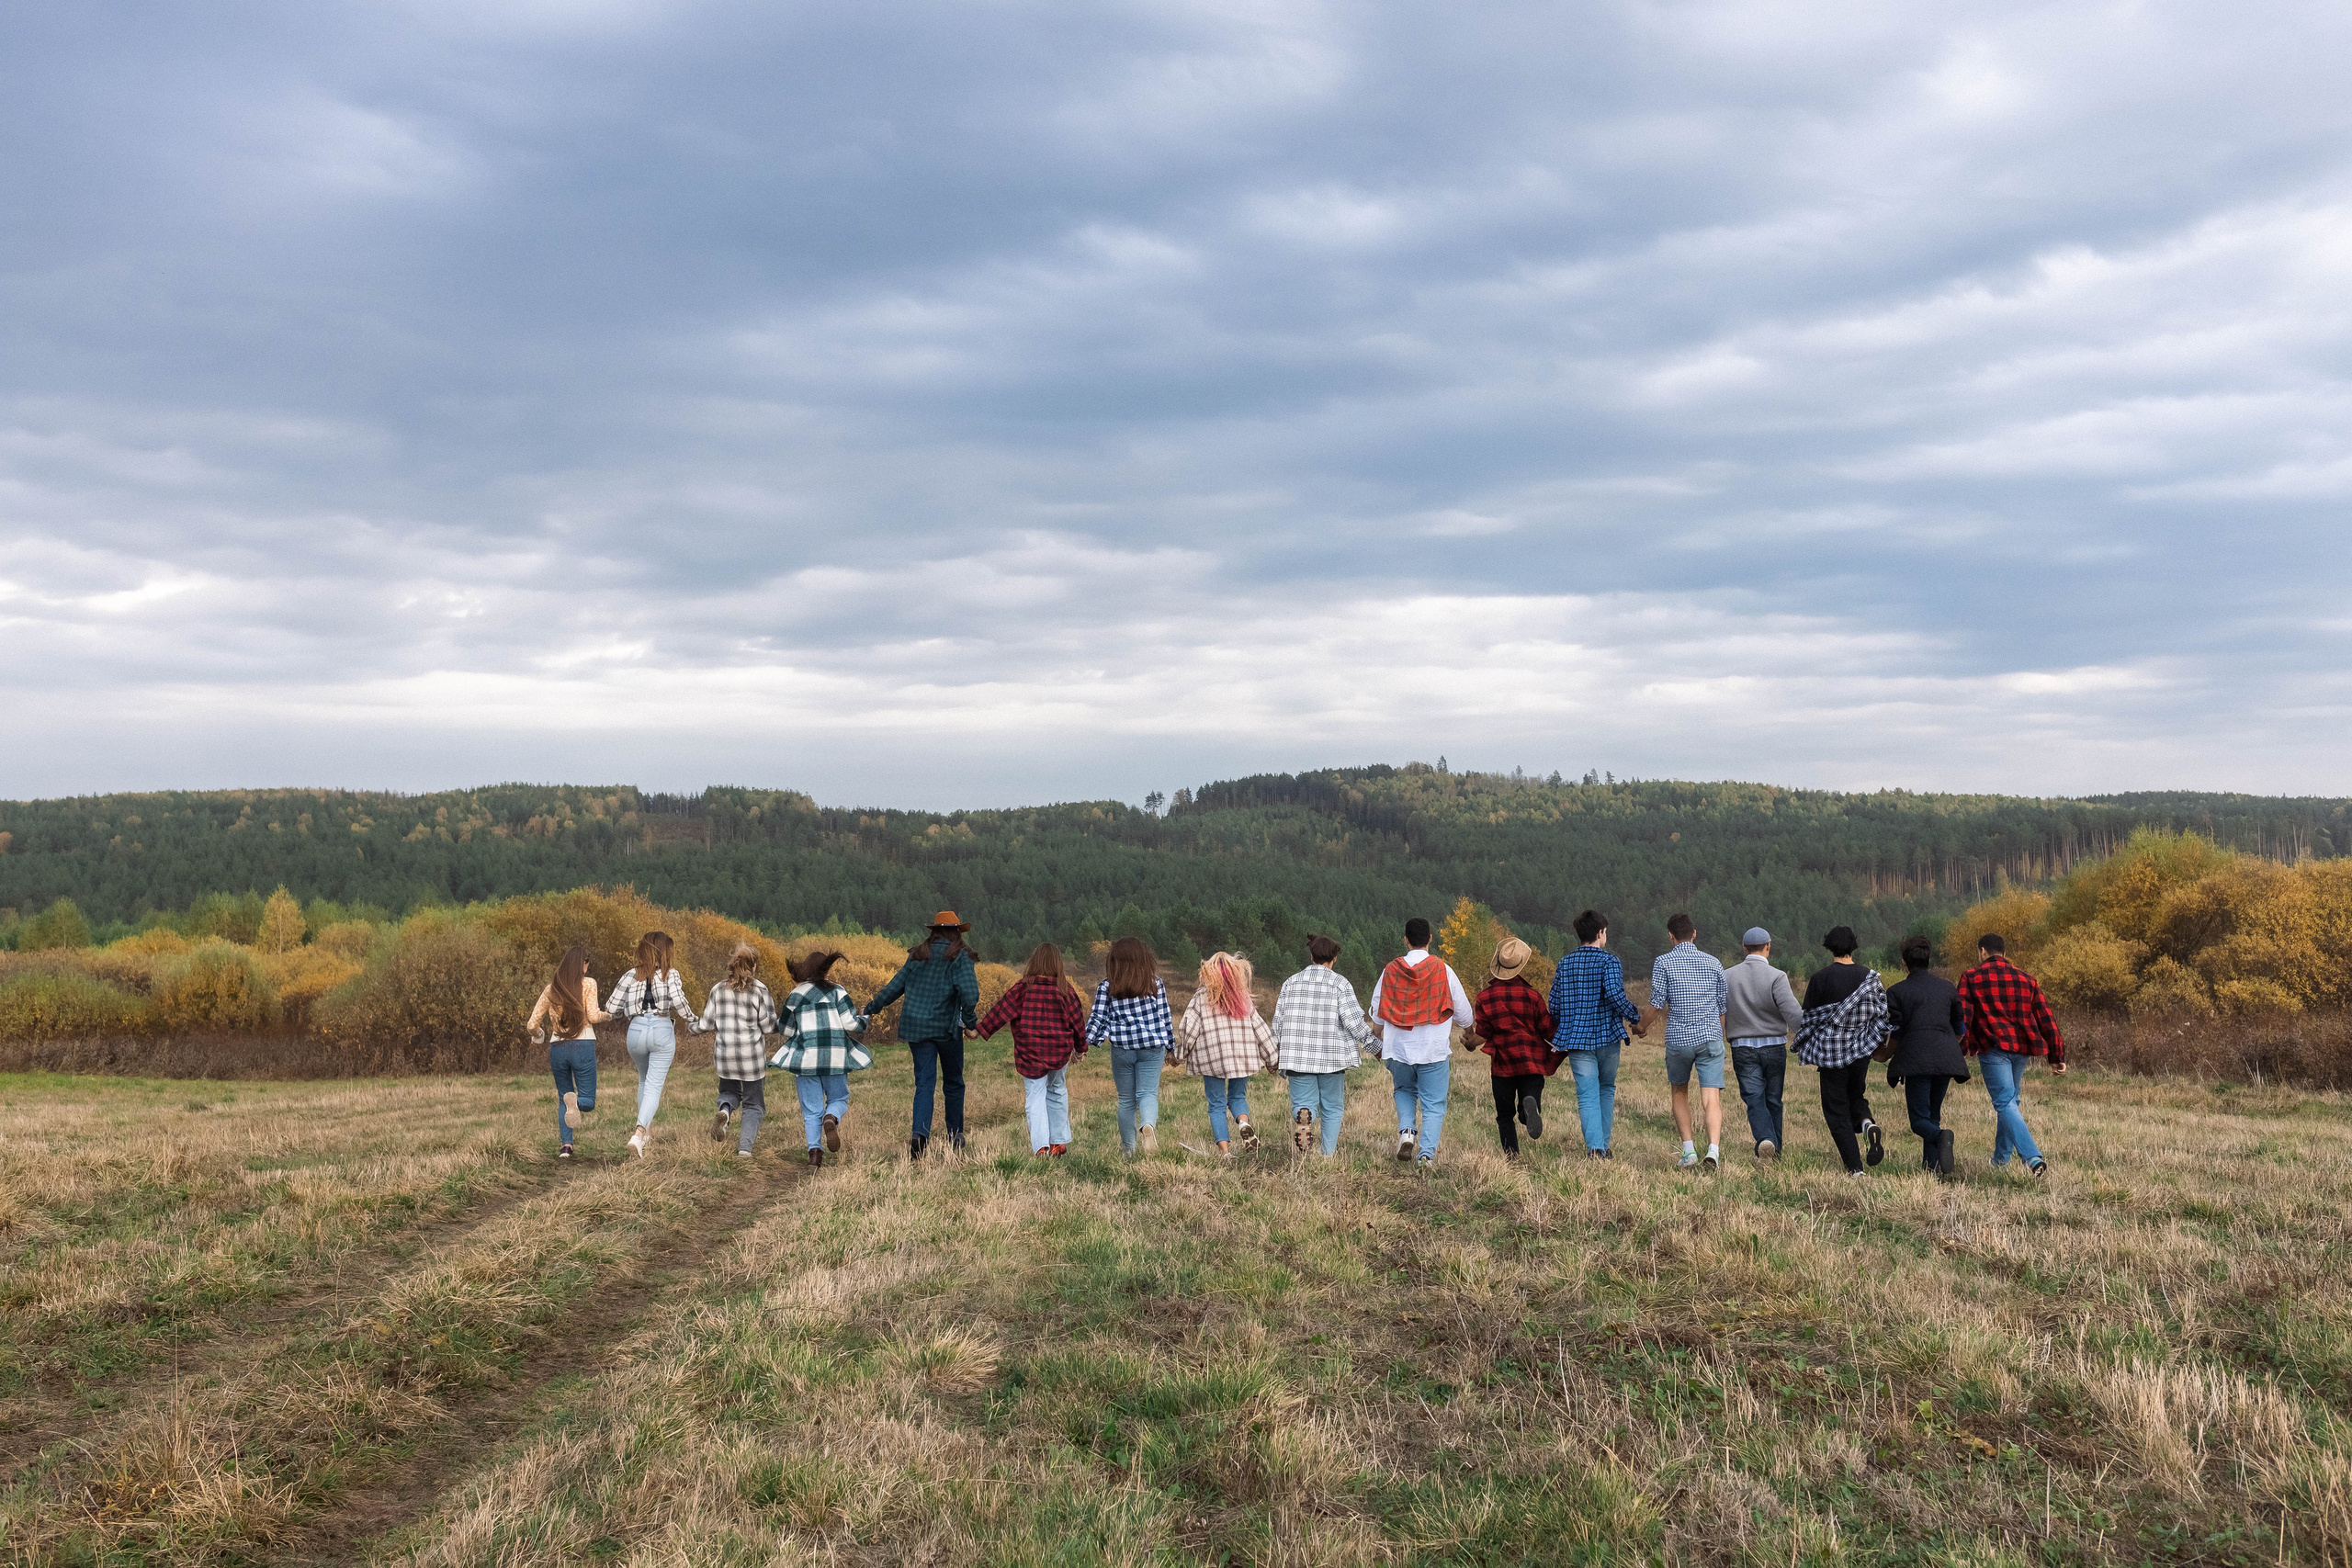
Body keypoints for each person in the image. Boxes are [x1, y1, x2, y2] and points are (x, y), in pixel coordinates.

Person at [868, 912, 981, 1159]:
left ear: (934, 931)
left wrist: (871, 1009)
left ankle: (919, 1135)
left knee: (924, 1083)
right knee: (953, 1082)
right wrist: (970, 1022)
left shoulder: (918, 954)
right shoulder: (959, 957)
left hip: (917, 1028)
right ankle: (955, 1136)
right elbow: (970, 993)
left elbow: (894, 987)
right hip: (947, 1029)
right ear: (956, 932)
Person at [1954, 931, 2065, 1177]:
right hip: (2021, 1049)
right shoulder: (2027, 980)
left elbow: (1963, 1018)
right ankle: (2000, 1161)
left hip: (1993, 1047)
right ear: (2004, 952)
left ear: (1983, 951)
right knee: (2011, 1102)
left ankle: (2033, 1158)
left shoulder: (1970, 977)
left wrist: (1959, 1050)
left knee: (2005, 1102)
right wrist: (2057, 1055)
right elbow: (2046, 1018)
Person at [1370, 918, 1472, 1166]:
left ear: (1406, 940)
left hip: (1398, 1049)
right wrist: (1470, 1032)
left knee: (1404, 1090)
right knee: (1433, 1103)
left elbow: (1378, 1009)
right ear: (1430, 938)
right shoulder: (1443, 969)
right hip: (1433, 1049)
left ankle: (1407, 1131)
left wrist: (1377, 1034)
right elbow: (1464, 1012)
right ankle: (1426, 1156)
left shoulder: (1390, 970)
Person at [973, 942, 1088, 1156]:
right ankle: (1058, 1143)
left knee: (1035, 1095)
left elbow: (1000, 1011)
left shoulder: (1022, 988)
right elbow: (1078, 1022)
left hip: (1030, 1053)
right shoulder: (1066, 990)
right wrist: (1080, 1049)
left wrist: (980, 1030)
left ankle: (1041, 1147)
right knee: (1057, 1090)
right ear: (1058, 964)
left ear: (1034, 962)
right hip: (1059, 1052)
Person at [1547, 909, 1645, 1159]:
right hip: (1607, 1037)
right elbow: (1615, 996)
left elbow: (1554, 1005)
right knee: (1606, 1088)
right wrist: (1635, 1018)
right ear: (1600, 933)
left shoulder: (1565, 963)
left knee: (1586, 1093)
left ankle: (1595, 1148)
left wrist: (1566, 1023)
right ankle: (1604, 1145)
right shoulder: (1609, 961)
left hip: (1577, 1040)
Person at [1794, 926, 1891, 1176]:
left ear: (1829, 948)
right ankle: (1867, 1124)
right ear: (1853, 946)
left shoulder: (1820, 978)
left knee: (1836, 1110)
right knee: (1856, 1096)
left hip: (1831, 1054)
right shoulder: (1870, 978)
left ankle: (1855, 1168)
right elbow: (1882, 1015)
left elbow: (1810, 1018)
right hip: (1860, 1052)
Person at [1271, 933, 1374, 1156]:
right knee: (1332, 1107)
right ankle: (1327, 1155)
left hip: (1297, 1058)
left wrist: (1273, 1056)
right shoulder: (1340, 984)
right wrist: (1376, 1047)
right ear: (1334, 958)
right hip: (1332, 1059)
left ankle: (1304, 1113)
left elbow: (1278, 1023)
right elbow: (1354, 1022)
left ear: (1311, 956)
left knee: (1302, 1101)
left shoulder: (1290, 983)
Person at [770, 949, 873, 1168]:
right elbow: (851, 1024)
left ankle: (815, 1154)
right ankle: (831, 1118)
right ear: (826, 969)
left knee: (811, 1110)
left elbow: (786, 1030)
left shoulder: (796, 994)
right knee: (839, 1099)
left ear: (806, 969)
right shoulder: (838, 991)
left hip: (806, 1059)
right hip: (836, 1057)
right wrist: (864, 1017)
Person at [1173, 952, 1279, 1156]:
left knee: (1216, 1104)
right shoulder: (1243, 998)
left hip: (1212, 1059)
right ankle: (1243, 1124)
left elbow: (1188, 1032)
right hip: (1242, 1056)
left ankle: (1225, 1152)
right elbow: (1261, 1029)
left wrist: (1178, 1055)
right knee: (1237, 1097)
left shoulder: (1201, 998)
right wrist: (1271, 1059)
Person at [1646, 913, 1729, 1172]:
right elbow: (1722, 1006)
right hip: (1710, 1037)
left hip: (1679, 1039)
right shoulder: (1714, 962)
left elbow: (1657, 1004)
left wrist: (1640, 1026)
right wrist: (1718, 1036)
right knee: (1711, 1097)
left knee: (1679, 1091)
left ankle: (1689, 1150)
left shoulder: (1663, 962)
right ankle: (1713, 1151)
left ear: (1671, 936)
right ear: (1694, 934)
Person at [606, 931, 696, 1158]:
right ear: (665, 952)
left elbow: (611, 1008)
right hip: (661, 1028)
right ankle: (638, 1134)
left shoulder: (630, 975)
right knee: (654, 1085)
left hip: (635, 1031)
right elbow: (679, 1001)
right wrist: (693, 1019)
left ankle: (646, 1133)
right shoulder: (670, 974)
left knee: (644, 1079)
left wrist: (629, 1010)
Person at [1884, 935, 1968, 1177]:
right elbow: (1960, 1029)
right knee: (1933, 1115)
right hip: (1946, 1058)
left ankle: (1942, 1137)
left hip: (1916, 1060)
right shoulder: (1947, 988)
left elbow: (1896, 1034)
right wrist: (1945, 1046)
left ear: (1904, 963)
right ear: (1928, 960)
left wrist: (1884, 1055)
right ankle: (1932, 1170)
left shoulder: (1896, 992)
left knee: (1919, 1121)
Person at [1470, 937, 1558, 1158]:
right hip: (1531, 1060)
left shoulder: (1484, 998)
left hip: (1502, 1064)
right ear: (1521, 965)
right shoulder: (1533, 996)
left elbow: (1483, 1033)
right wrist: (1567, 1041)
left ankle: (1512, 1155)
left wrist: (1468, 1042)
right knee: (1531, 1094)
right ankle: (1528, 1112)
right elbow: (1547, 1030)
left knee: (1504, 1115)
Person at [689, 942, 780, 1158]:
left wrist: (690, 1026)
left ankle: (725, 1111)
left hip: (725, 1056)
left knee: (728, 1092)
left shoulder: (717, 989)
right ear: (754, 966)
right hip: (751, 1058)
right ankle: (745, 1149)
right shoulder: (760, 991)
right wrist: (785, 1025)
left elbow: (706, 1024)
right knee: (754, 1104)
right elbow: (769, 1027)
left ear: (731, 965)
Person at [1087, 935, 1174, 1156]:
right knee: (1147, 1094)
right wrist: (1171, 1047)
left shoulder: (1107, 986)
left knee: (1126, 1100)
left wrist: (1087, 1042)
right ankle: (1148, 1125)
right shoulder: (1155, 984)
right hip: (1152, 1047)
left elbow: (1098, 1018)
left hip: (1122, 1048)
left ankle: (1129, 1151)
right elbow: (1165, 1017)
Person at [1723, 927, 1802, 1160]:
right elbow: (1793, 1014)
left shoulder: (1727, 976)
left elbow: (1720, 1010)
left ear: (1744, 948)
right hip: (1775, 1047)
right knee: (1774, 1099)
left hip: (1742, 1047)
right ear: (1768, 946)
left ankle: (1766, 1140)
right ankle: (1774, 1150)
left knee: (1754, 1098)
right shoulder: (1777, 976)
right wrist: (1807, 1037)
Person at [527, 944, 608, 1160]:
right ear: (583, 964)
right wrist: (608, 1015)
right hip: (583, 1045)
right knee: (587, 1101)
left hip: (558, 1047)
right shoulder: (589, 984)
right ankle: (576, 1105)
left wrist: (539, 1036)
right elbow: (593, 1016)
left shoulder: (551, 989)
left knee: (564, 1097)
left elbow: (532, 1024)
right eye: (587, 963)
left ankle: (566, 1147)